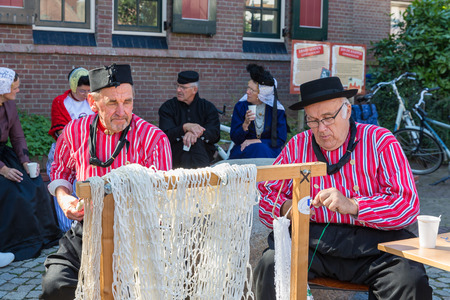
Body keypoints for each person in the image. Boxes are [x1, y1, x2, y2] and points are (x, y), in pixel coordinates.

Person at [254, 77, 432, 300]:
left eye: (328, 118)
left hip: (376, 249)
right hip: (313, 245)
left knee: (409, 280)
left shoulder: (380, 141)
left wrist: (354, 205)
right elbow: (265, 196)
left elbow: (406, 205)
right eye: (313, 120)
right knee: (270, 264)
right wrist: (285, 208)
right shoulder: (297, 146)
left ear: (347, 110)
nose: (321, 128)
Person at [40, 64, 172, 300]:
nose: (122, 111)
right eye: (112, 102)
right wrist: (63, 197)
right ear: (92, 102)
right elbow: (60, 168)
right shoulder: (74, 130)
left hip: (136, 235)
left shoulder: (154, 139)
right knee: (55, 284)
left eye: (128, 102)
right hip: (87, 229)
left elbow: (162, 199)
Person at [0, 67, 62, 261]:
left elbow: (17, 136)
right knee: (9, 189)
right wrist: (2, 169)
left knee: (33, 183)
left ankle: (39, 237)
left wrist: (25, 162)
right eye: (15, 88)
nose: (18, 91)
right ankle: (11, 244)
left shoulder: (9, 106)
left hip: (4, 154)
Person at [47, 67, 94, 232]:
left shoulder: (92, 101)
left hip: (88, 152)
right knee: (64, 190)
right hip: (65, 151)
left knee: (83, 190)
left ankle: (84, 231)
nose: (86, 94)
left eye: (89, 90)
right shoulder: (61, 102)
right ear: (73, 86)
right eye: (82, 90)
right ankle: (66, 232)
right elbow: (61, 131)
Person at [158, 71, 220, 169]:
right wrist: (184, 128)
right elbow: (164, 135)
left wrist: (196, 133)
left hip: (203, 152)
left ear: (194, 90)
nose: (178, 90)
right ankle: (203, 179)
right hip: (176, 157)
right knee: (186, 149)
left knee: (196, 144)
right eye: (177, 86)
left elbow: (215, 134)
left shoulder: (208, 107)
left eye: (183, 87)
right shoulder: (168, 107)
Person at [229, 64, 287, 159]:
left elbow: (280, 139)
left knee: (260, 149)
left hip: (269, 150)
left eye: (252, 90)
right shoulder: (241, 107)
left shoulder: (277, 110)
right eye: (248, 88)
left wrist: (256, 141)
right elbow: (235, 138)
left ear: (263, 94)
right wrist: (245, 124)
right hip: (244, 150)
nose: (247, 92)